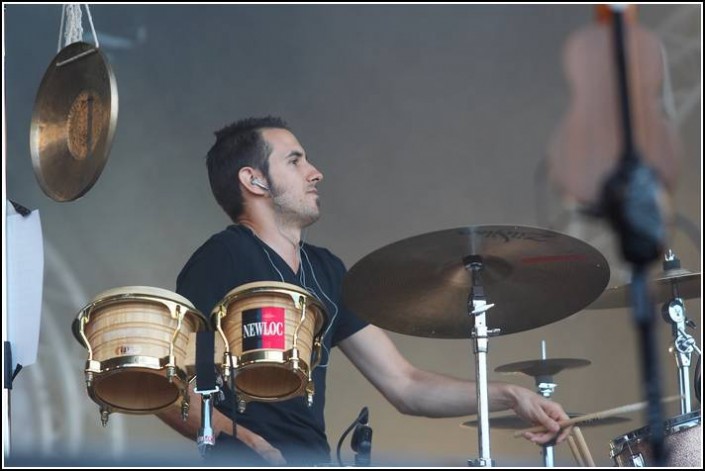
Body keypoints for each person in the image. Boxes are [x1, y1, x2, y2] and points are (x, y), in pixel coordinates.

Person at [157, 116, 571, 466]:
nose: (315, 172)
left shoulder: (327, 270)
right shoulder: (222, 260)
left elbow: (405, 384)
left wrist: (512, 397)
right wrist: (248, 444)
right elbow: (165, 387)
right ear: (254, 180)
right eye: (295, 161)